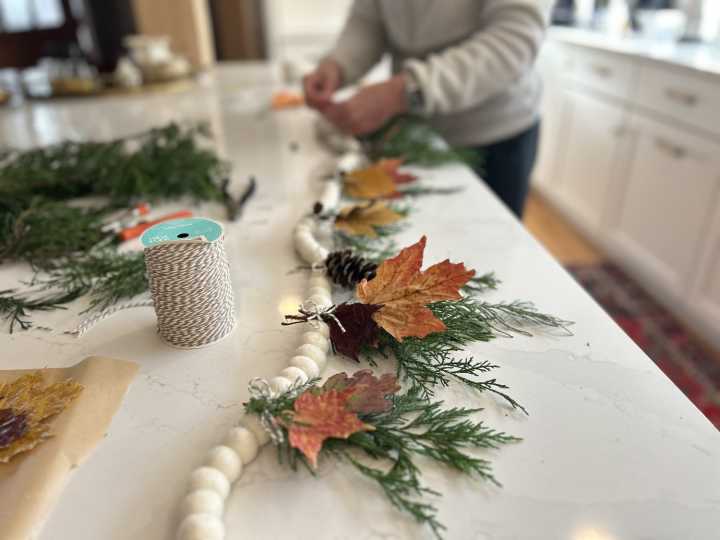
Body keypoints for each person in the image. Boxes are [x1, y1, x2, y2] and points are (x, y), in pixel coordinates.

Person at [303, 0, 549, 218]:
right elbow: (367, 21)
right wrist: (338, 64)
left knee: (494, 248)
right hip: (416, 134)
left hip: (496, 137)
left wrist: (406, 90)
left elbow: (513, 40)